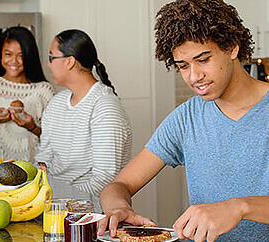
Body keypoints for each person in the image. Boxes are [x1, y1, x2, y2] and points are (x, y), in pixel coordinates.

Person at [98, 0, 269, 241]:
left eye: (203, 60)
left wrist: (239, 207)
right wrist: (118, 208)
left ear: (232, 48)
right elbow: (118, 186)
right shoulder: (185, 119)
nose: (194, 77)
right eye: (183, 66)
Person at [34, 29, 132, 212]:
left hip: (89, 215)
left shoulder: (105, 108)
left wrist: (59, 201)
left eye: (51, 57)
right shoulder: (56, 104)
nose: (48, 65)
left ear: (69, 61)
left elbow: (105, 180)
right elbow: (43, 158)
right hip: (51, 208)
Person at [0, 26, 55, 162]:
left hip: (34, 172)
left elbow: (57, 141)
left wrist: (32, 127)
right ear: (1, 54)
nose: (14, 61)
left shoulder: (44, 91)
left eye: (21, 56)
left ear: (29, 56)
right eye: (8, 54)